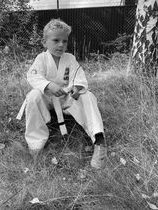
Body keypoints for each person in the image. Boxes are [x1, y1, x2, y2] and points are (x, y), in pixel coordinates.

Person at [16, 19, 107, 169]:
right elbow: (33, 76)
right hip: (46, 99)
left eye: (64, 41)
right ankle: (35, 143)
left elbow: (79, 76)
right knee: (33, 96)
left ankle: (98, 139)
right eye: (56, 40)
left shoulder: (70, 58)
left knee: (88, 96)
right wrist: (48, 85)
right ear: (45, 42)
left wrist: (77, 87)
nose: (61, 45)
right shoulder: (41, 58)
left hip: (66, 99)